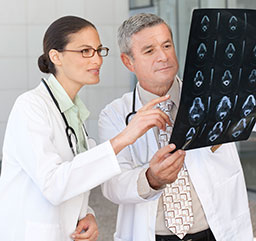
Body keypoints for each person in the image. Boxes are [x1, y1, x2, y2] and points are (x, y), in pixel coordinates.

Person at [0, 16, 173, 241]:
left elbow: (76, 176)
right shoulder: (30, 106)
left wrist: (86, 214)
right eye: (85, 51)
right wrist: (125, 137)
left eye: (99, 50)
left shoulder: (73, 112)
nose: (98, 60)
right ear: (56, 56)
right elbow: (53, 184)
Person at [98, 13, 255, 241]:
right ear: (128, 61)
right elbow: (112, 185)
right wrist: (152, 178)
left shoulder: (216, 98)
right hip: (153, 235)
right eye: (149, 51)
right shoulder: (114, 115)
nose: (163, 57)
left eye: (167, 45)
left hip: (216, 232)